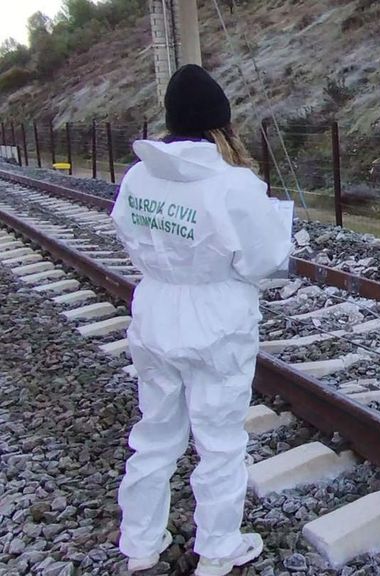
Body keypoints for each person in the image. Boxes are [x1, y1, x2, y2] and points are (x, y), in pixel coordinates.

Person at [111, 64, 292, 575]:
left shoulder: (139, 176)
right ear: (221, 125)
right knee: (219, 439)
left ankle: (140, 544)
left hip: (155, 311)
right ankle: (217, 550)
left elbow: (128, 236)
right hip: (217, 320)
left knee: (154, 433)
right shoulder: (234, 185)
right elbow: (264, 262)